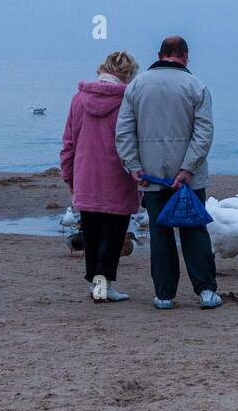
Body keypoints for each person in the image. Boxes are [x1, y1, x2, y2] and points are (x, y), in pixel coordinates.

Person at [115, 35, 220, 310]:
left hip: (151, 176)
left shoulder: (136, 86)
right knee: (195, 232)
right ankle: (206, 291)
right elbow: (204, 133)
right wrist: (188, 168)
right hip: (189, 178)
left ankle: (164, 294)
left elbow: (124, 131)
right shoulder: (196, 86)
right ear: (185, 56)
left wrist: (133, 165)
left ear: (159, 54)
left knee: (160, 235)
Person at [59, 50, 142, 302]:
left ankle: (96, 284)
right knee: (113, 235)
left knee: (92, 234)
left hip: (86, 176)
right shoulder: (128, 102)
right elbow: (134, 141)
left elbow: (69, 143)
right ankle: (103, 286)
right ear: (128, 74)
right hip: (118, 176)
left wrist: (69, 176)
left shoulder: (78, 100)